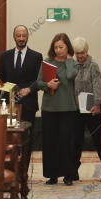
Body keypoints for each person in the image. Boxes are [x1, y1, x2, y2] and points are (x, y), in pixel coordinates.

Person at [0, 25, 43, 165]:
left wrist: (29, 89)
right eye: (18, 35)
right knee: (10, 140)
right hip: (9, 106)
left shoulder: (36, 56)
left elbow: (40, 80)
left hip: (28, 105)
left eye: (24, 35)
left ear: (27, 37)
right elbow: (0, 79)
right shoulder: (5, 56)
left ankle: (24, 173)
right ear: (14, 37)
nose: (21, 38)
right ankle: (11, 170)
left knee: (27, 140)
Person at [36, 33, 78, 186]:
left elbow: (70, 75)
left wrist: (67, 60)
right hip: (49, 108)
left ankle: (68, 174)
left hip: (67, 108)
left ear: (67, 47)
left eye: (61, 47)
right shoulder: (46, 63)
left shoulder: (72, 63)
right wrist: (48, 85)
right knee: (50, 143)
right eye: (56, 47)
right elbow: (38, 82)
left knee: (66, 143)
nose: (58, 50)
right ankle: (52, 175)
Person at [72, 37, 101, 181]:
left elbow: (97, 85)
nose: (80, 56)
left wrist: (97, 104)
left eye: (82, 53)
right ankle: (73, 171)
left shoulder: (93, 65)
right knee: (76, 140)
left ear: (87, 51)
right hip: (77, 108)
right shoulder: (73, 65)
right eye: (77, 53)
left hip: (92, 109)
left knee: (98, 139)